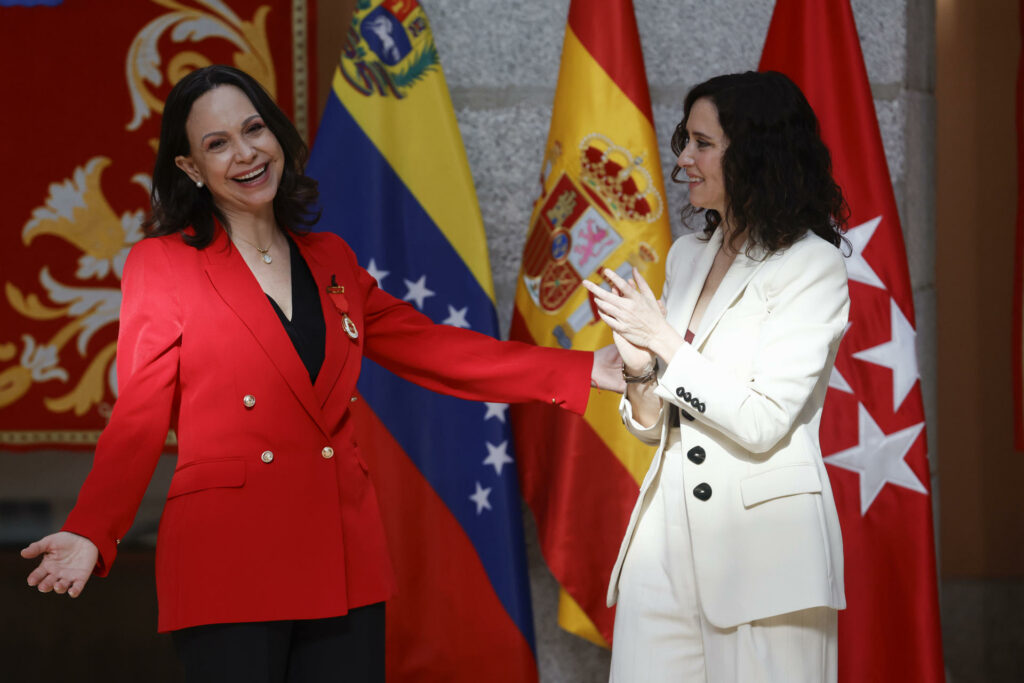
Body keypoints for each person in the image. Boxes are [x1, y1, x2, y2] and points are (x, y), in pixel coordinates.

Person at [21, 64, 623, 683]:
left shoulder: (329, 257)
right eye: (217, 144)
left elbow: (434, 347)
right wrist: (93, 529)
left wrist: (582, 370)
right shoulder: (163, 263)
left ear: (277, 135)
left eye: (254, 129)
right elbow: (140, 414)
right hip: (228, 560)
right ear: (190, 170)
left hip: (341, 555)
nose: (246, 152)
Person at [582, 71, 850, 682]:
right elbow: (654, 427)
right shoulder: (685, 255)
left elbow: (761, 421)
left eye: (702, 143)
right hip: (661, 551)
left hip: (766, 551)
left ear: (755, 153)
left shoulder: (812, 265)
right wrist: (639, 368)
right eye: (686, 140)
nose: (684, 157)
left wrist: (664, 345)